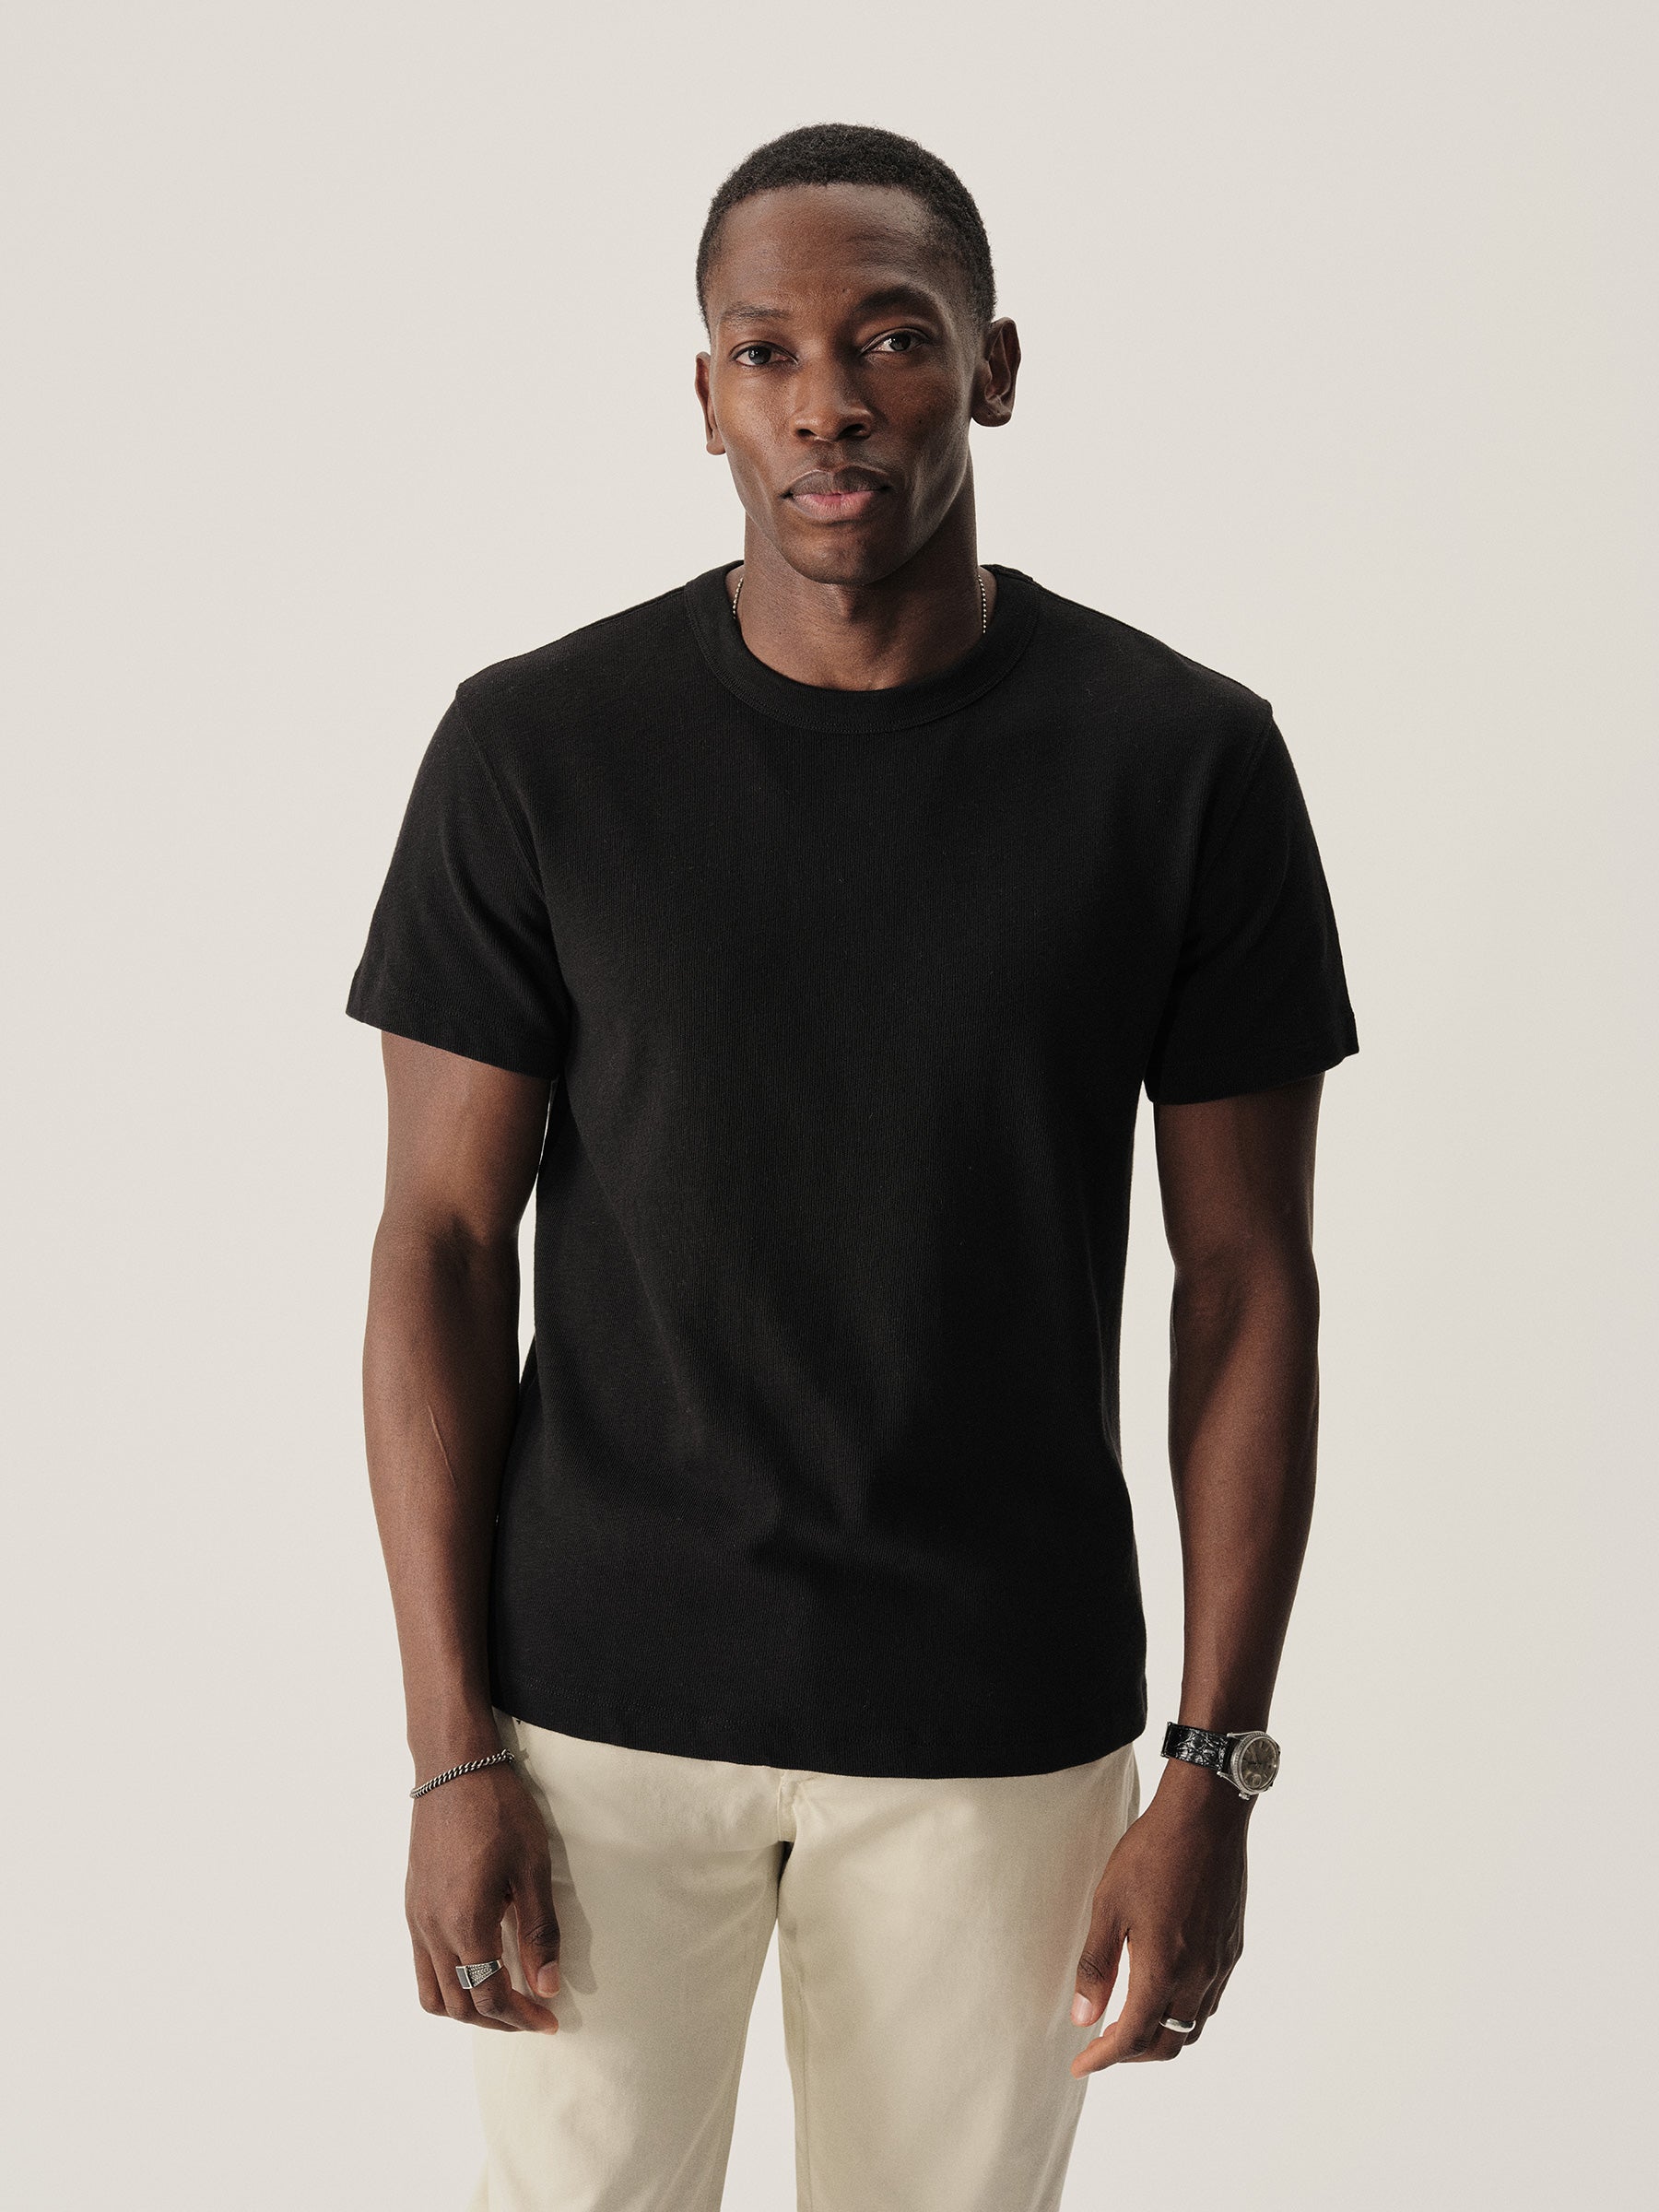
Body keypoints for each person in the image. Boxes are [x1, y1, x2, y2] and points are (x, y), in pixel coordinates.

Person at [347, 120, 1359, 2212]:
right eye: (768, 350)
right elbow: (438, 1244)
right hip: (594, 1717)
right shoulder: (536, 752)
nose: (829, 400)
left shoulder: (1181, 763)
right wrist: (453, 1748)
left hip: (1000, 1725)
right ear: (706, 396)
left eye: (892, 336)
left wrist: (1213, 1768)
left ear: (994, 366)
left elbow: (1250, 1281)